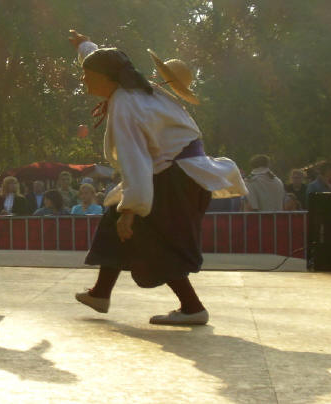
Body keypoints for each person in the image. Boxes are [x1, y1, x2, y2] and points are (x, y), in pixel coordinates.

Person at [69, 30, 246, 325]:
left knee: (154, 239)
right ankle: (101, 293)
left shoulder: (126, 104)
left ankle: (192, 307)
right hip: (177, 175)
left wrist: (132, 210)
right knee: (115, 219)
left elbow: (134, 163)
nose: (83, 80)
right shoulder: (140, 88)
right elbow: (104, 62)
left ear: (105, 78)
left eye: (88, 75)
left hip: (173, 179)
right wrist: (86, 47)